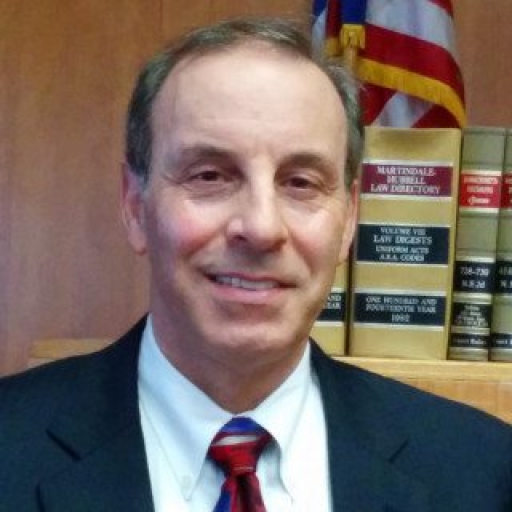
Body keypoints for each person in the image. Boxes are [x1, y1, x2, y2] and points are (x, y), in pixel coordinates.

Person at [1, 17, 511, 512]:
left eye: (301, 182)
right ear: (135, 206)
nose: (262, 228)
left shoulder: (483, 473)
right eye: (209, 176)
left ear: (349, 220)